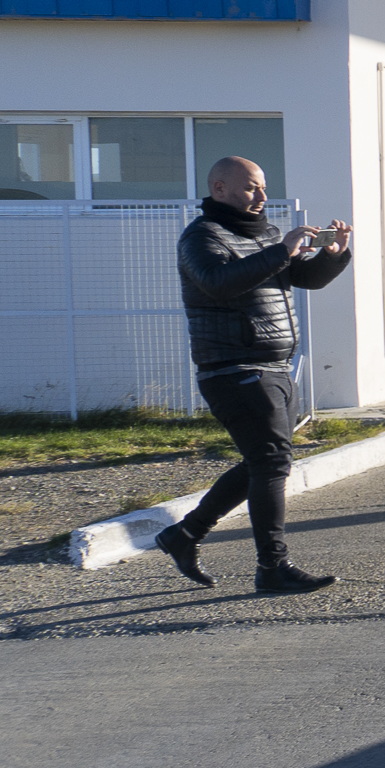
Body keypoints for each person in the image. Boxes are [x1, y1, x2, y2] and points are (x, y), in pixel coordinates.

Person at [155, 156, 352, 593]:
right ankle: (272, 569)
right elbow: (219, 282)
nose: (262, 197)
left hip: (276, 365)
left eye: (263, 188)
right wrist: (282, 250)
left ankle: (184, 534)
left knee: (262, 462)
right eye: (251, 189)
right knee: (271, 463)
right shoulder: (200, 237)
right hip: (233, 368)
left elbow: (304, 279)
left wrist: (332, 256)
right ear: (220, 189)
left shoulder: (264, 234)